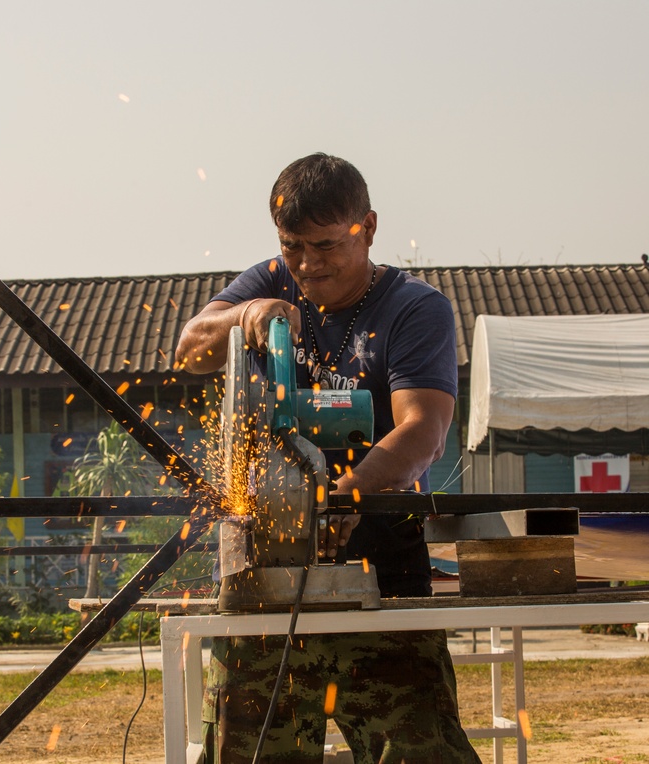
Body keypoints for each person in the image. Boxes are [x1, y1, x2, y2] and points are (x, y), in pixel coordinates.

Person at [174, 153, 481, 763]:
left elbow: (424, 428)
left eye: (325, 245)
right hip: (265, 556)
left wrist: (349, 494)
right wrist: (247, 315)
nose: (309, 264)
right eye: (293, 247)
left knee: (416, 749)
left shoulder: (414, 307)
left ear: (366, 227)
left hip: (382, 557)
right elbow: (189, 350)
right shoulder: (267, 280)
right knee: (254, 752)